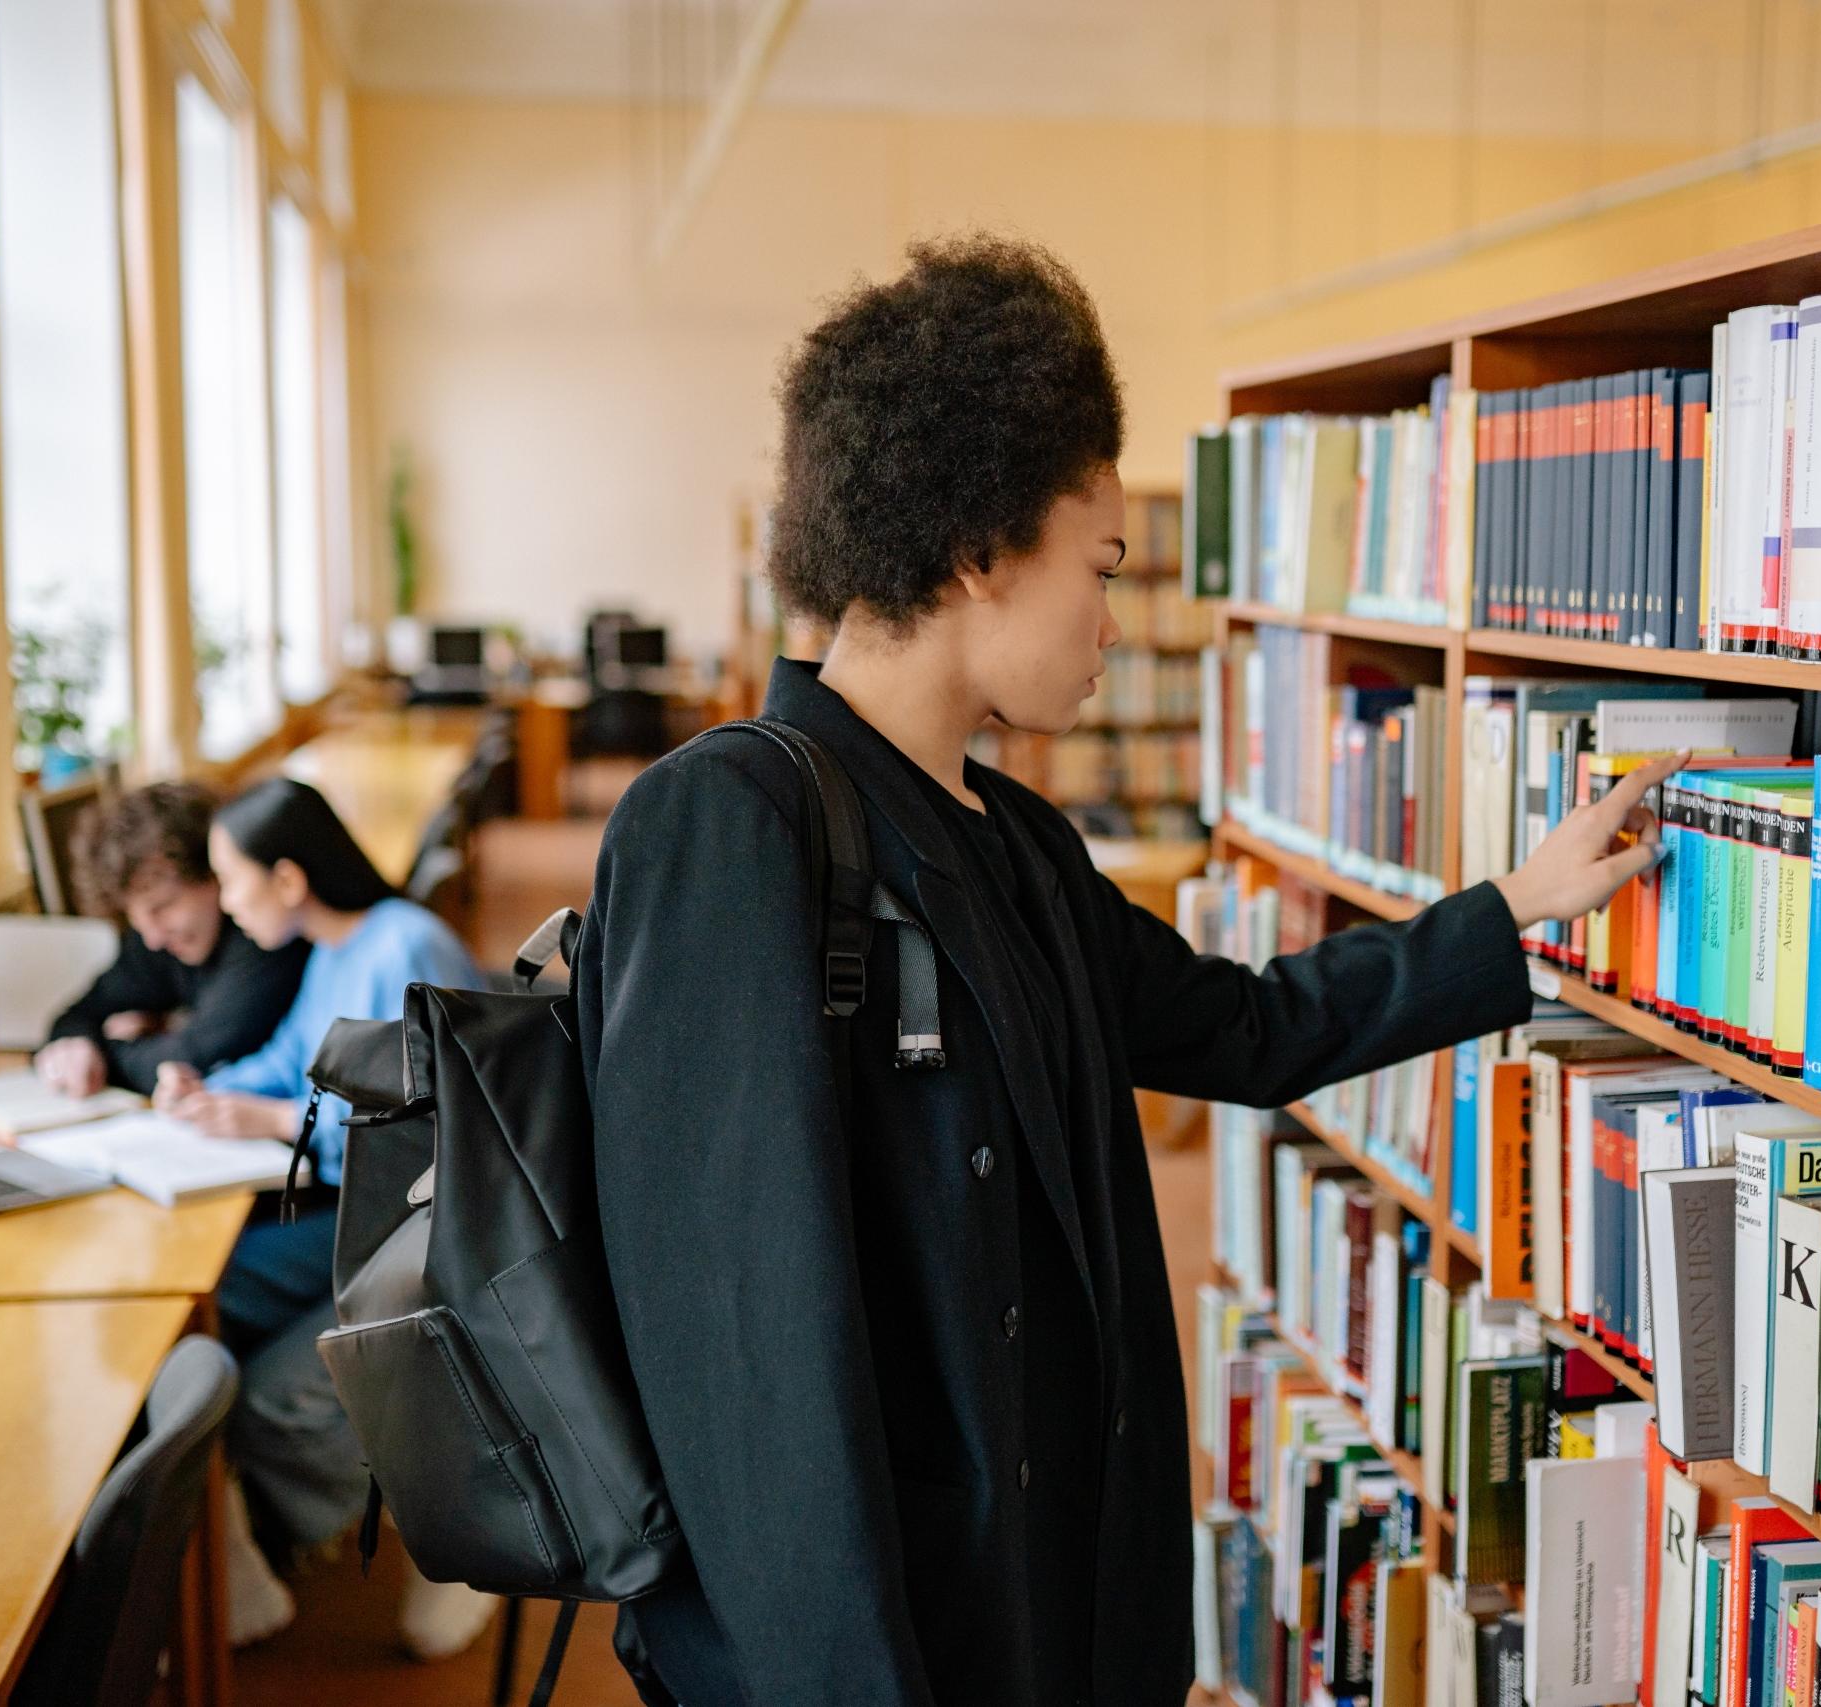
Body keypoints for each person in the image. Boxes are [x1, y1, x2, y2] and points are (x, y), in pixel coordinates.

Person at [577, 236, 1679, 1707]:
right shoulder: (733, 825)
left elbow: (1244, 1027)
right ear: (976, 550)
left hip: (1046, 1603)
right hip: (879, 1643)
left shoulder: (1019, 839)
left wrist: (1519, 904)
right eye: (1095, 565)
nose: (1112, 620)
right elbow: (743, 1362)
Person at [155, 775, 495, 1658]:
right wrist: (209, 1092)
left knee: (237, 1339)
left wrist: (268, 1121)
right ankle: (234, 1562)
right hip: (355, 1206)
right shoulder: (335, 948)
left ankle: (436, 1530)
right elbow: (289, 1061)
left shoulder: (406, 944)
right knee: (194, 1308)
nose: (227, 906)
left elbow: (429, 1134)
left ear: (290, 879)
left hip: (422, 1222)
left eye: (233, 882)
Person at [33, 782, 309, 1098]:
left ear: (214, 872)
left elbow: (193, 1058)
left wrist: (104, 1055)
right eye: (136, 918)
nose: (152, 938)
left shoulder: (266, 934)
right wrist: (78, 1046)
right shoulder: (160, 938)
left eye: (163, 907)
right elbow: (78, 1015)